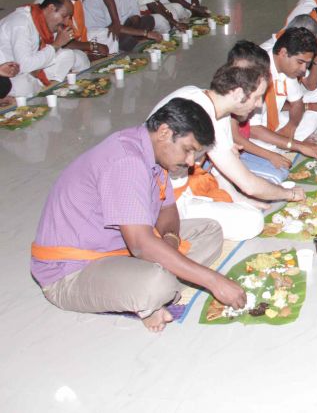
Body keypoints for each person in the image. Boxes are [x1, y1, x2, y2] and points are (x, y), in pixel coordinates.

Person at [30, 99, 246, 332]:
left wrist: (170, 241)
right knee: (156, 283)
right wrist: (213, 281)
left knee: (209, 230)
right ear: (164, 132)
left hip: (121, 248)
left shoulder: (152, 151)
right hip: (72, 272)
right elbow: (140, 245)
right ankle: (148, 298)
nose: (190, 162)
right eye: (188, 150)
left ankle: (150, 287)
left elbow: (167, 209)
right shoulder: (126, 161)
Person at [151, 60, 308, 236]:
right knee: (253, 221)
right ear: (238, 93)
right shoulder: (202, 111)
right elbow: (248, 184)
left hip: (189, 181)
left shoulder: (211, 102)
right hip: (165, 200)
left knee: (248, 203)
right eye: (257, 97)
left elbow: (220, 167)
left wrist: (238, 198)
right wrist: (289, 194)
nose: (259, 104)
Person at [225, 40, 317, 186]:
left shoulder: (252, 85)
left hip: (247, 143)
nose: (258, 104)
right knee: (277, 176)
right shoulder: (232, 95)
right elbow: (237, 138)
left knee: (280, 167)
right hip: (232, 152)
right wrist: (276, 153)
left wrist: (291, 131)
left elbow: (296, 103)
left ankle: (280, 148)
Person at [0, 0, 85, 97]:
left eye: (69, 18)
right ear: (51, 8)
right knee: (24, 86)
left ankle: (50, 88)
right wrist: (56, 44)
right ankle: (48, 90)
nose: (66, 22)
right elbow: (25, 65)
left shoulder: (39, 19)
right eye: (64, 16)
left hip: (32, 68)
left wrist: (57, 45)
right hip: (11, 74)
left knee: (72, 56)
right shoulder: (21, 24)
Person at [34, 0, 109, 61]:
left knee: (109, 36)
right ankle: (86, 59)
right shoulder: (49, 6)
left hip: (79, 37)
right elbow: (63, 42)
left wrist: (116, 23)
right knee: (71, 56)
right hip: (53, 47)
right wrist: (93, 46)